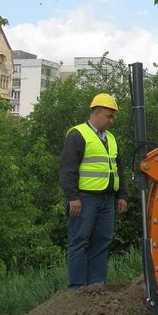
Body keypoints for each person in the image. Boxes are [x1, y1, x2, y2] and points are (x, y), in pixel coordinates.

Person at [59, 93, 128, 290]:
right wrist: (73, 197)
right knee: (79, 241)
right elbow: (67, 169)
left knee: (102, 241)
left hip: (107, 199)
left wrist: (122, 195)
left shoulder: (111, 139)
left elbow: (117, 168)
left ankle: (97, 286)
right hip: (84, 198)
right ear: (97, 112)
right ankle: (78, 289)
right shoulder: (78, 135)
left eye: (113, 116)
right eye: (109, 116)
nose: (111, 120)